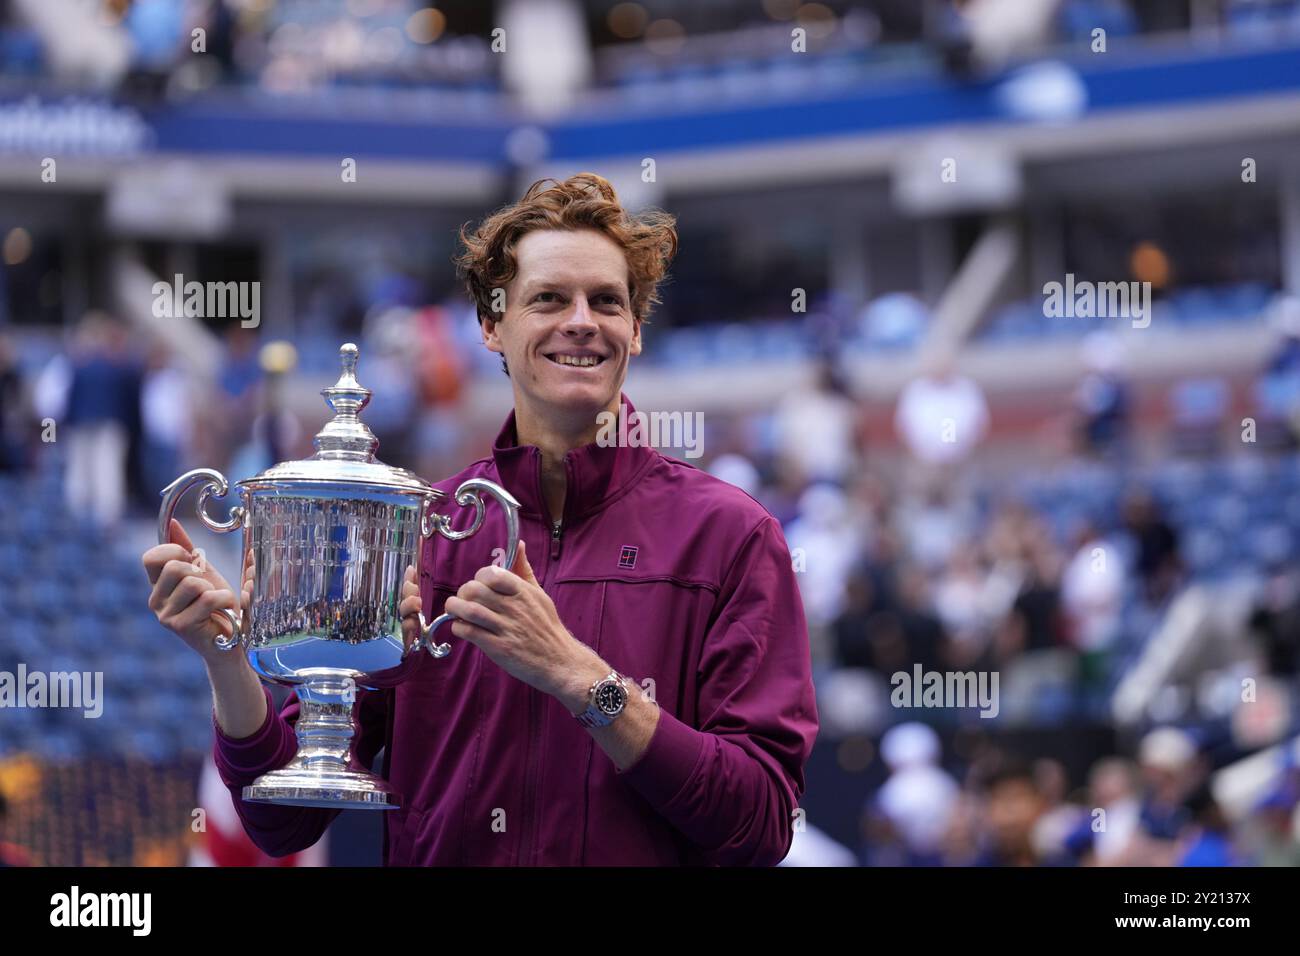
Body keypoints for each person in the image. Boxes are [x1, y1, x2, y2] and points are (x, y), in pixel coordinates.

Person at [142, 173, 819, 866]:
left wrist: (582, 680)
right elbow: (283, 824)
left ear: (636, 331)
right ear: (493, 326)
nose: (582, 320)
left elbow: (761, 823)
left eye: (607, 302)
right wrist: (224, 656)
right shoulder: (419, 534)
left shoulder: (732, 536)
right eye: (549, 298)